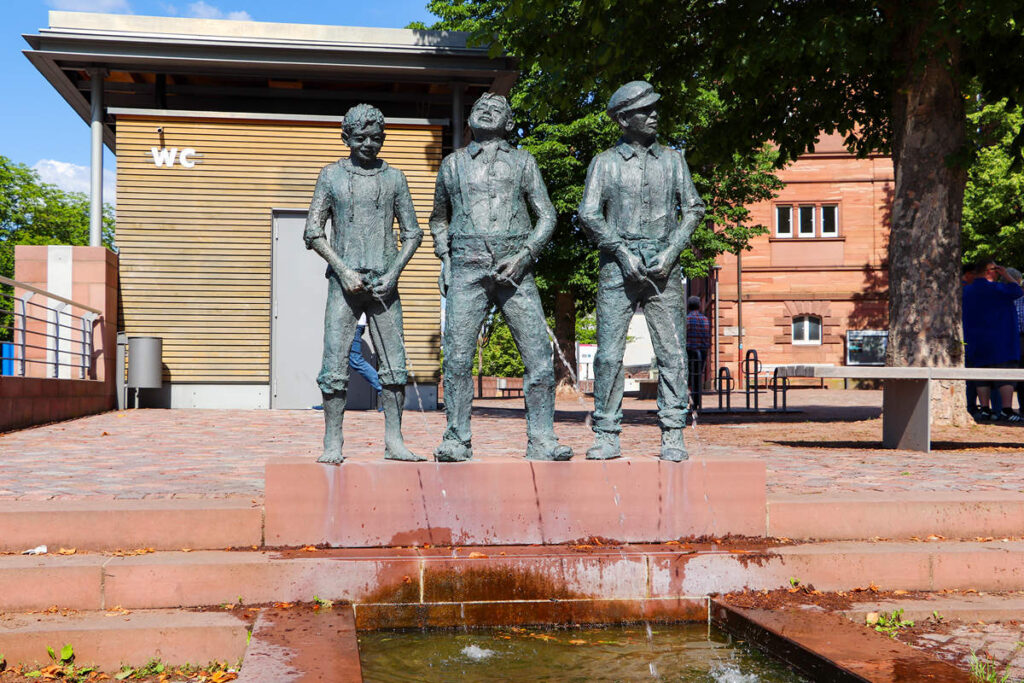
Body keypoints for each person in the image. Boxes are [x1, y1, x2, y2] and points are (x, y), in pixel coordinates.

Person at [429, 93, 573, 462]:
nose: (486, 110)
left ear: (509, 124)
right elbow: (439, 219)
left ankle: (541, 439)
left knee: (539, 357)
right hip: (466, 266)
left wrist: (525, 255)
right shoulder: (452, 164)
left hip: (516, 267)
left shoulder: (524, 162)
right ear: (470, 120)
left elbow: (547, 216)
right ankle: (456, 439)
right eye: (479, 106)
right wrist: (444, 259)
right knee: (457, 359)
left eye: (497, 109)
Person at [579, 81, 706, 461]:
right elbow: (588, 213)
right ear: (622, 119)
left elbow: (694, 208)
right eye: (644, 111)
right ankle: (606, 433)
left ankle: (673, 433)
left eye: (655, 108)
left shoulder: (673, 160)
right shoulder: (604, 163)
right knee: (609, 354)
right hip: (618, 268)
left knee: (672, 352)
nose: (654, 115)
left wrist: (670, 252)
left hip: (663, 265)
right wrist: (619, 251)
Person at [304, 103, 424, 463]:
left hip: (385, 283)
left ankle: (394, 441)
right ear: (346, 138)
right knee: (334, 362)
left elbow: (414, 233)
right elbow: (313, 232)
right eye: (360, 138)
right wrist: (343, 271)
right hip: (344, 284)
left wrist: (394, 273)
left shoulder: (395, 178)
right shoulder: (330, 176)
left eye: (375, 138)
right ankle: (333, 442)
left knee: (394, 363)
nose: (368, 144)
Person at [962, 259, 1023, 422]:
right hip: (1002, 339)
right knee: (1006, 374)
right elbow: (1018, 291)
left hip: (976, 340)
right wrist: (1006, 274)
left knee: (981, 374)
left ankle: (985, 409)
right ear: (989, 271)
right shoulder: (999, 289)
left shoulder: (967, 291)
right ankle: (1006, 410)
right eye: (996, 270)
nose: (998, 273)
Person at [686, 296, 711, 410]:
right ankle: (697, 402)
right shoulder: (705, 319)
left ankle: (687, 400)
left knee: (688, 376)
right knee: (698, 377)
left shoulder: (686, 319)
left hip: (689, 351)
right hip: (702, 352)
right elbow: (707, 337)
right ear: (699, 306)